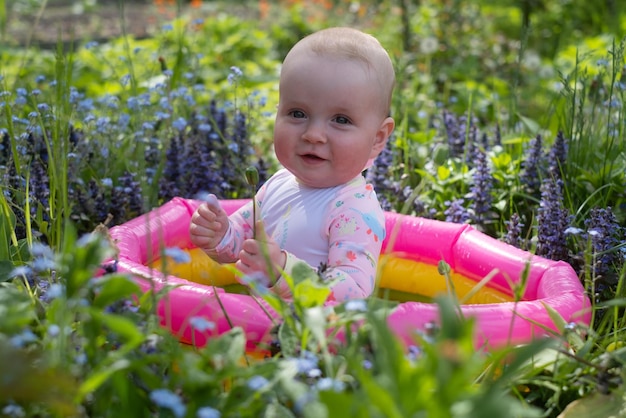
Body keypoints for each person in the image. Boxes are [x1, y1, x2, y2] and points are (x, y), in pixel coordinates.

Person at [189, 27, 395, 302]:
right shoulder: (277, 184)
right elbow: (244, 244)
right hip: (259, 330)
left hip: (318, 340)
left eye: (341, 120)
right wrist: (220, 234)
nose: (313, 134)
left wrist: (284, 272)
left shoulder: (354, 208)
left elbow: (353, 291)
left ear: (377, 138)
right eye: (297, 113)